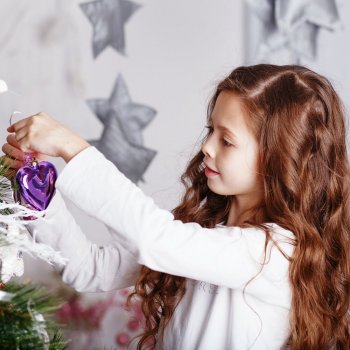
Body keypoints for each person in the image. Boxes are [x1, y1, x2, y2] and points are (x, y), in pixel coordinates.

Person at [2, 64, 350, 350]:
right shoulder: (205, 232)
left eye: (227, 140)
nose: (208, 148)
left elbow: (154, 238)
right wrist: (39, 194)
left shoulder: (274, 253)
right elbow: (89, 268)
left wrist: (70, 146)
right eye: (210, 130)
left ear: (277, 160)